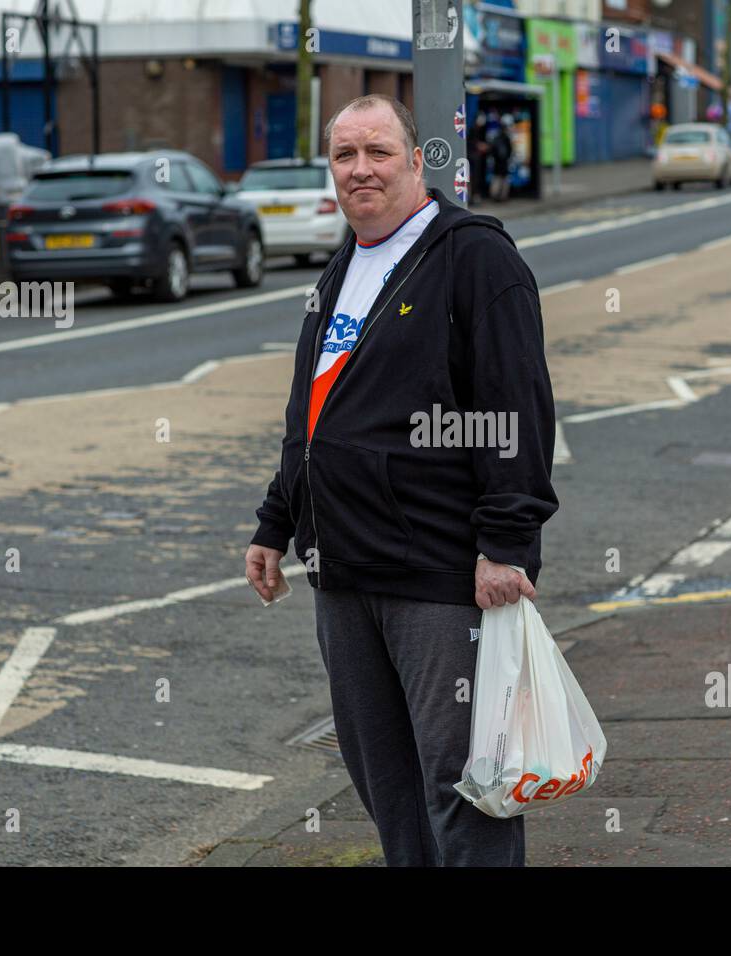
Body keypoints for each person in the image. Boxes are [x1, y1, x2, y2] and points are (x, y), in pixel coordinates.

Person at [244, 93, 558, 867]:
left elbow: (515, 406)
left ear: (418, 162)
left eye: (378, 152)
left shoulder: (475, 256)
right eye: (345, 155)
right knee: (385, 783)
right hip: (344, 571)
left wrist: (508, 544)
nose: (361, 170)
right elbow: (312, 413)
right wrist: (276, 521)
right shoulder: (342, 266)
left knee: (462, 783)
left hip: (439, 575)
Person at [489, 115, 513, 202]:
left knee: (497, 178)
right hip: (504, 162)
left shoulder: (496, 137)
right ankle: (502, 196)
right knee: (504, 179)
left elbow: (492, 151)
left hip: (497, 162)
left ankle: (495, 195)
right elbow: (510, 150)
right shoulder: (506, 138)